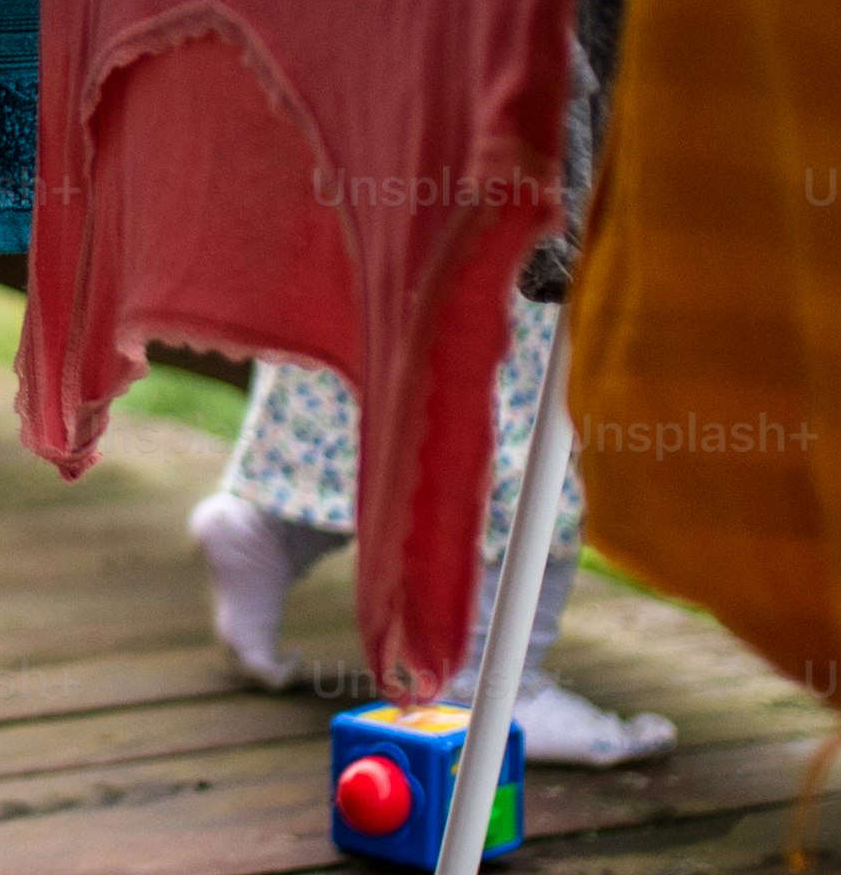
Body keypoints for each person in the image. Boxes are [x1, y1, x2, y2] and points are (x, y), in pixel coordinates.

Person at [188, 293, 679, 767]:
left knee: (353, 406)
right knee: (516, 447)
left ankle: (264, 530)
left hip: (366, 237)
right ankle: (492, 685)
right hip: (503, 252)